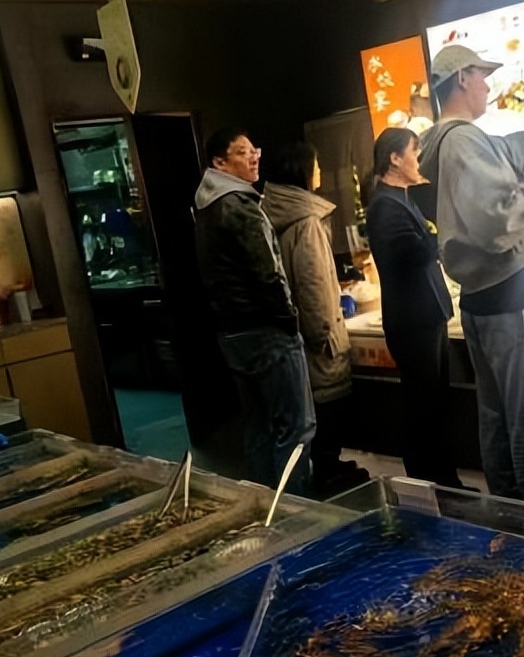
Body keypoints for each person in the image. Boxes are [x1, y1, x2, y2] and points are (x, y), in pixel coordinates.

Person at [416, 44, 524, 508]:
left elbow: (508, 152)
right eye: (482, 75)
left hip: (485, 304)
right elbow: (498, 219)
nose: (488, 85)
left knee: (500, 428)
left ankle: (513, 530)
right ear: (462, 78)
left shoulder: (454, 141)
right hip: (513, 304)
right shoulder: (462, 141)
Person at [193, 127, 315, 492]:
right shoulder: (239, 205)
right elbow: (268, 274)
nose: (254, 157)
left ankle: (261, 505)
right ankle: (295, 512)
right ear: (220, 163)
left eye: (254, 150)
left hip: (233, 333)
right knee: (295, 428)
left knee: (259, 425)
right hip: (267, 330)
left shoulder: (207, 205)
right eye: (243, 152)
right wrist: (289, 320)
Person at [261, 141, 365, 496]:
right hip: (318, 337)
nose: (319, 171)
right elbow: (314, 283)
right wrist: (324, 333)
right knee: (328, 403)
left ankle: (327, 466)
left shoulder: (275, 215)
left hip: (294, 335)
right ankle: (326, 470)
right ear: (302, 171)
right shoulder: (307, 222)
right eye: (316, 165)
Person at [367, 127, 464, 489]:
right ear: (395, 158)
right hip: (412, 322)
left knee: (436, 404)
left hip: (427, 316)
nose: (419, 160)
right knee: (424, 407)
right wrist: (446, 230)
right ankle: (429, 484)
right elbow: (413, 254)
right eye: (414, 152)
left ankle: (445, 481)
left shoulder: (401, 198)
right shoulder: (384, 206)